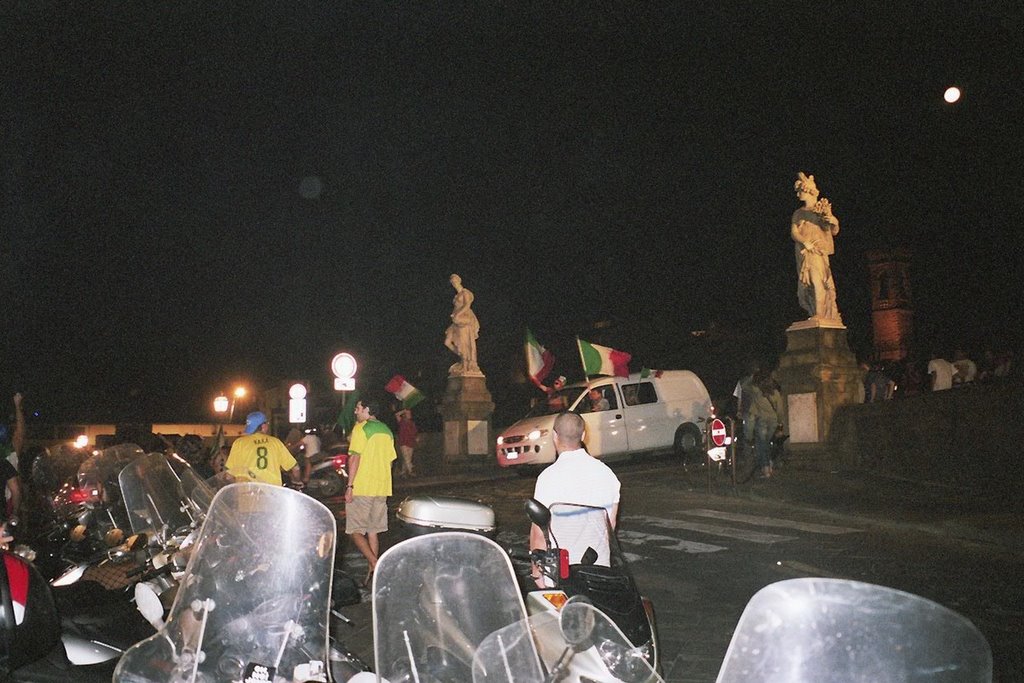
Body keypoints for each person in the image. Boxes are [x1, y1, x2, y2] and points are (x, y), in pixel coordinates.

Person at [530, 412, 621, 582]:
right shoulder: (607, 474)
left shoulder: (548, 478)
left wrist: (537, 575)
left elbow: (539, 534)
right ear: (584, 435)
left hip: (560, 575)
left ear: (554, 436)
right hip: (599, 573)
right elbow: (610, 526)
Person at [345, 397, 397, 583]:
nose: (355, 411)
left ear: (367, 410)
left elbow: (354, 458)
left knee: (355, 531)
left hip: (363, 486)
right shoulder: (387, 430)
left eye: (358, 408)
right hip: (382, 487)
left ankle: (375, 563)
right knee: (373, 531)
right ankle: (373, 575)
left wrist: (350, 486)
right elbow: (391, 461)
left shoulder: (361, 428)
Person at [791, 172, 842, 322]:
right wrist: (804, 241)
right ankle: (815, 310)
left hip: (818, 252)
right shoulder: (798, 213)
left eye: (800, 191)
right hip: (803, 252)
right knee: (805, 287)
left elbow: (833, 230)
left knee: (816, 280)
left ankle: (820, 313)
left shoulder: (820, 211)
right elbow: (794, 232)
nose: (798, 194)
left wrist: (833, 220)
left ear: (809, 191)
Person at [225, 411, 302, 486]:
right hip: (271, 493)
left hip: (247, 494)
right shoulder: (275, 442)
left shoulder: (239, 443)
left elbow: (228, 475)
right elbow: (295, 468)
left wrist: (238, 486)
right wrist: (297, 481)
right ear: (263, 426)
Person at [747, 369, 782, 479]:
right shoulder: (775, 393)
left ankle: (766, 469)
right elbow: (780, 409)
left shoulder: (757, 393)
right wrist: (780, 423)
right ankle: (769, 465)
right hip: (773, 421)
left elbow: (746, 386)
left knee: (762, 445)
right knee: (766, 444)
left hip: (762, 422)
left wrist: (752, 376)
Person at [443, 273, 481, 375]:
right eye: (452, 282)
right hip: (456, 320)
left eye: (455, 281)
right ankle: (463, 358)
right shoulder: (456, 296)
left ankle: (466, 363)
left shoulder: (466, 293)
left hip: (464, 318)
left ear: (459, 281)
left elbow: (467, 305)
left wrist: (458, 314)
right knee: (447, 342)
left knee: (463, 342)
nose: (453, 283)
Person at [395, 409, 418, 477]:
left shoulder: (412, 423)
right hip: (403, 443)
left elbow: (415, 432)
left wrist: (416, 438)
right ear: (405, 415)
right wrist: (403, 411)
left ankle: (403, 472)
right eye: (408, 414)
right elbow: (396, 415)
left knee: (408, 458)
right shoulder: (402, 421)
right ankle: (411, 471)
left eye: (410, 413)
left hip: (411, 442)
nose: (410, 415)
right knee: (406, 457)